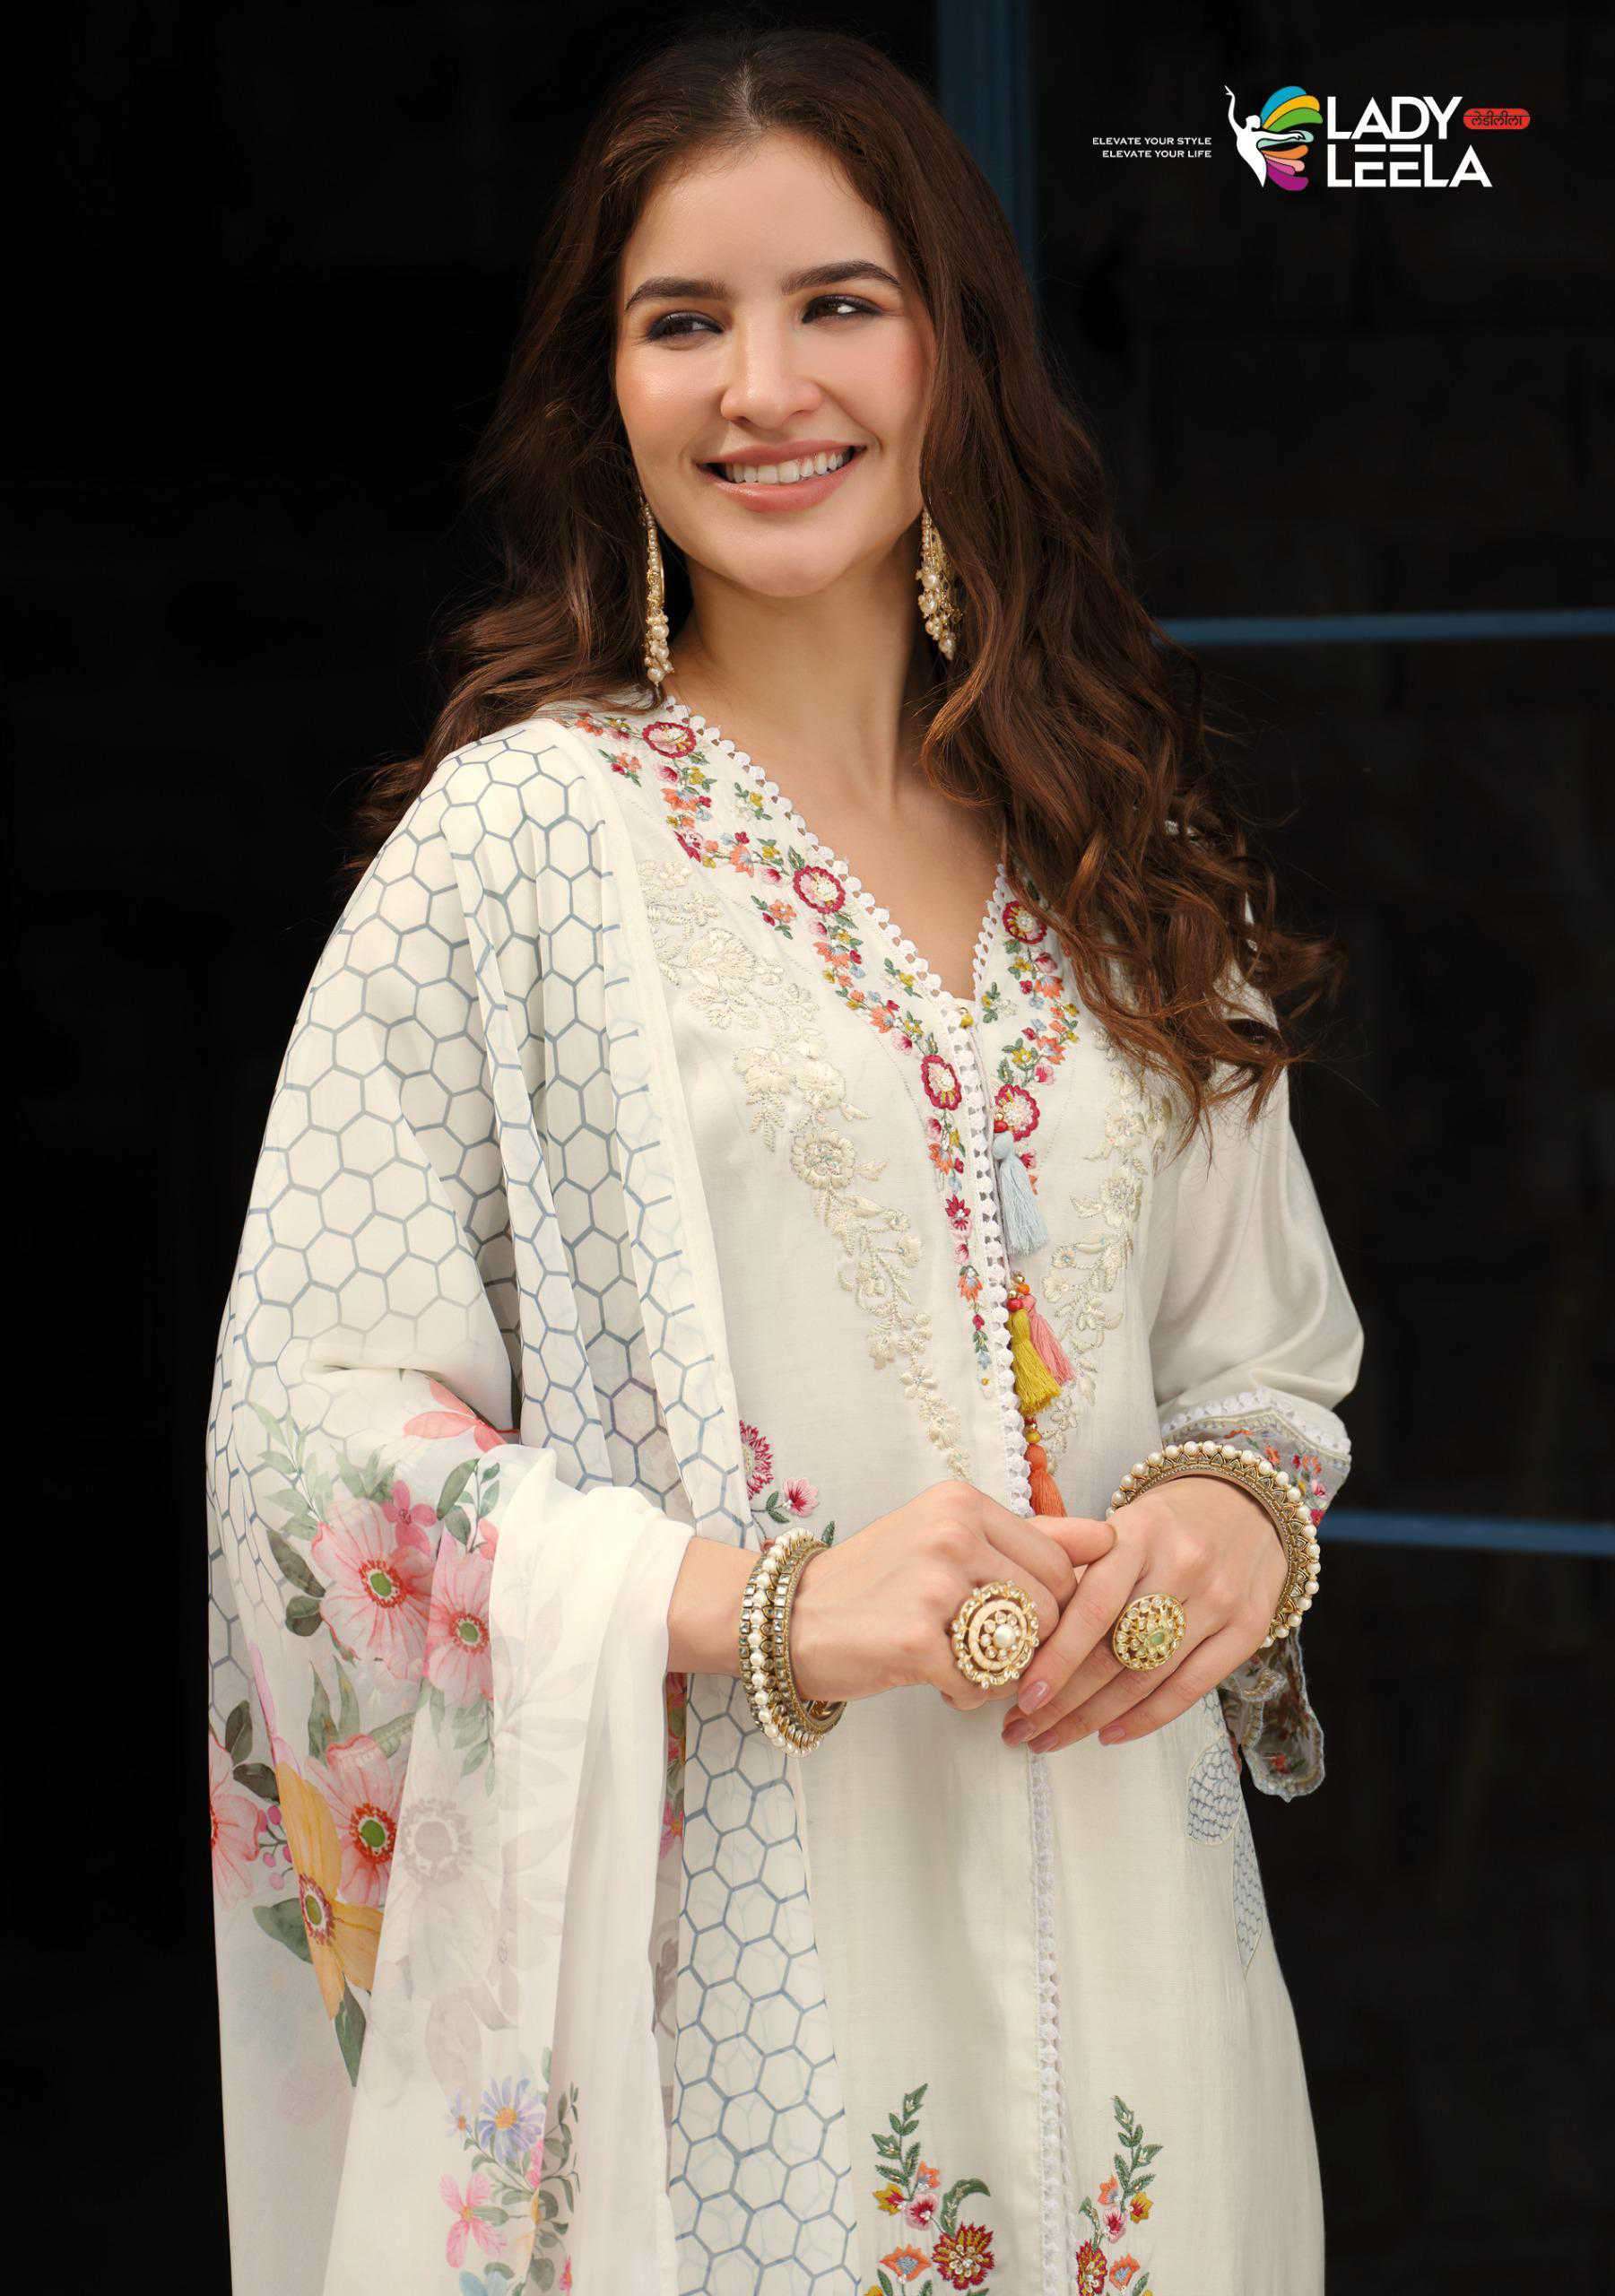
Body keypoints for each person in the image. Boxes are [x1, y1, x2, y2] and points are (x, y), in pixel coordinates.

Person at [205, 27, 1363, 2296]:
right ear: (607, 390)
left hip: (1144, 1964)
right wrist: (759, 1601)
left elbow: (1262, 1359)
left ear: (953, 352)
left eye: (837, 301)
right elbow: (303, 1433)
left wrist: (1235, 1514)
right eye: (681, 322)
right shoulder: (521, 853)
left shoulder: (1120, 847)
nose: (762, 387)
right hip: (736, 1989)